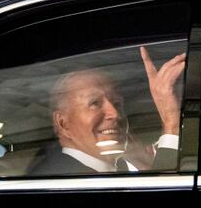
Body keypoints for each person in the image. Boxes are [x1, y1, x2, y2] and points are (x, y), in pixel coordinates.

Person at [29, 46, 186, 174]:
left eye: (117, 104)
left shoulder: (111, 173)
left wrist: (148, 170)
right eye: (95, 103)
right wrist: (171, 121)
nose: (115, 114)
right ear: (63, 123)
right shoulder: (64, 180)